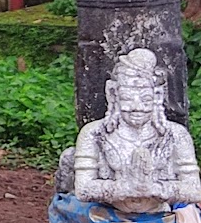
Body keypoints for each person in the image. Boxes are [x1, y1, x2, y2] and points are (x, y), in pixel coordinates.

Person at [74, 47, 201, 214]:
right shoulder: (94, 133)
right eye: (127, 98)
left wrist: (156, 188)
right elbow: (83, 188)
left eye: (145, 99)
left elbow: (194, 189)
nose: (137, 107)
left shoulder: (176, 135)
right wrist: (122, 189)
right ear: (113, 94)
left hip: (160, 216)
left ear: (157, 96)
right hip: (107, 215)